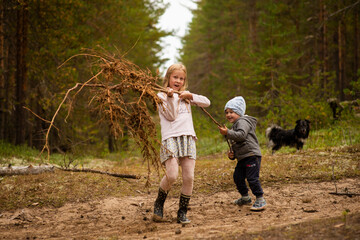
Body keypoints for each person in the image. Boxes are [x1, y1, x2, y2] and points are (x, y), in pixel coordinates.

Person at [152, 63, 211, 224]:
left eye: (181, 78)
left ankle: (182, 211)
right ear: (168, 78)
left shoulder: (185, 96)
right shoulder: (161, 96)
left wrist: (191, 96)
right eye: (175, 77)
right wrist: (171, 97)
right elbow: (171, 116)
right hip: (170, 138)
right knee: (171, 175)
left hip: (188, 137)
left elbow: (207, 102)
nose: (178, 81)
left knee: (189, 177)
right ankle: (159, 203)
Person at [218, 96, 266, 211]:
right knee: (238, 177)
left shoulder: (243, 121)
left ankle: (260, 199)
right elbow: (238, 142)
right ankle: (245, 197)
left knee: (252, 178)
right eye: (227, 112)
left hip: (251, 155)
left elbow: (242, 135)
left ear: (239, 112)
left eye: (232, 112)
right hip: (242, 157)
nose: (228, 115)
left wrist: (228, 132)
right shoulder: (236, 124)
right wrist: (232, 155)